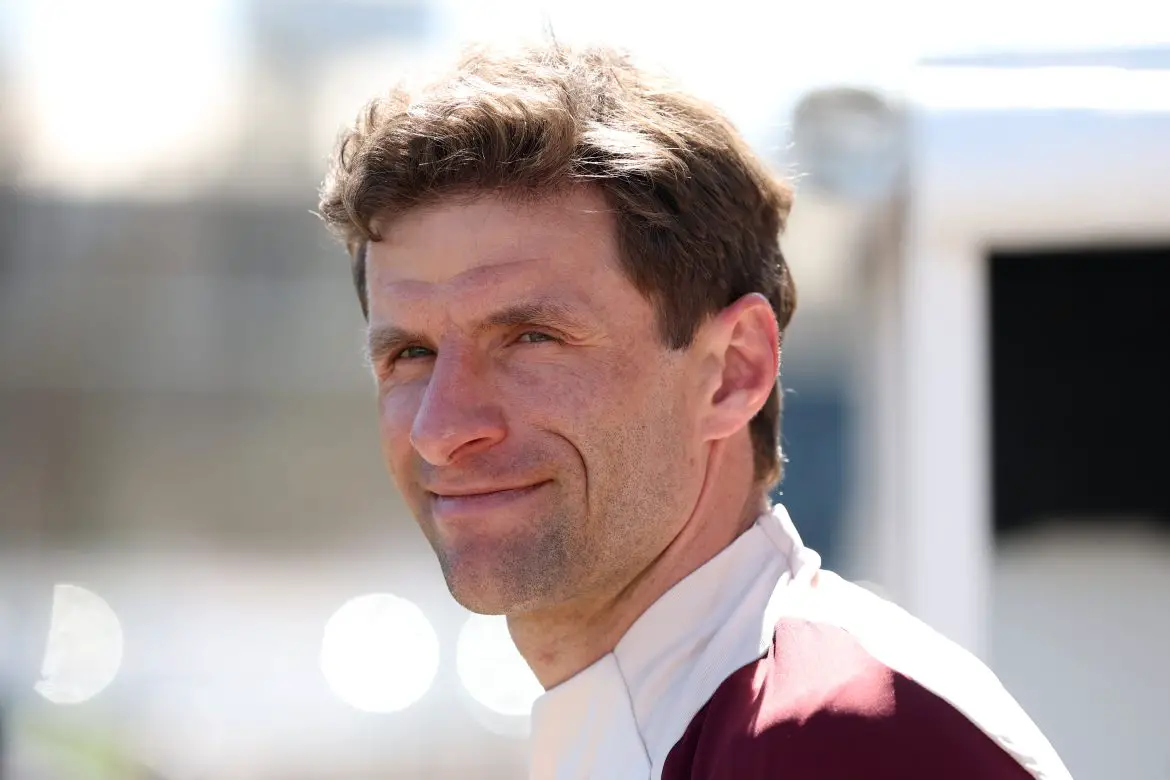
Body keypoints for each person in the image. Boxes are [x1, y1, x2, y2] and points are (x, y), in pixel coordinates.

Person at [318, 42, 1071, 780]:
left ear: (733, 372)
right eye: (411, 354)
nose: (443, 429)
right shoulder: (696, 724)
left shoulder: (829, 735)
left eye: (532, 338)